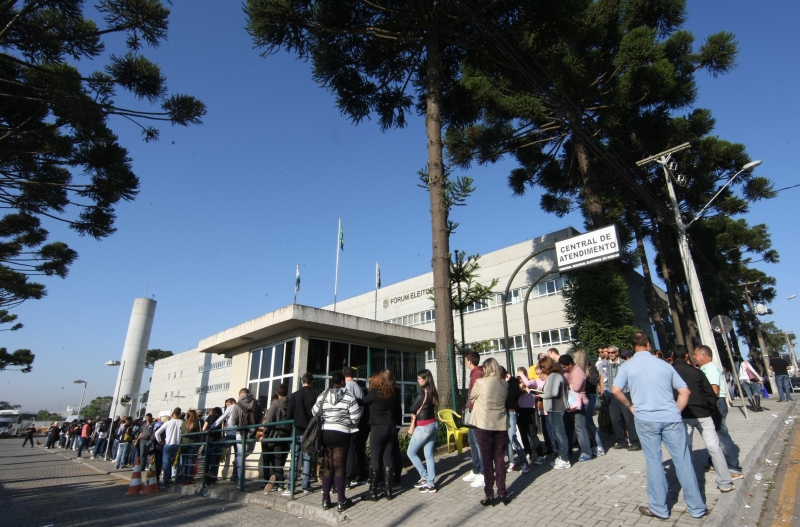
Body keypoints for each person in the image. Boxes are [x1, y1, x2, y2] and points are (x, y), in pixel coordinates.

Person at [612, 332, 707, 520]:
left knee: (654, 461)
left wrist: (630, 406)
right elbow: (685, 392)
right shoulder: (665, 365)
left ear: (633, 346)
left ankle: (659, 508)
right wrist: (676, 411)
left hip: (645, 418)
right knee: (683, 460)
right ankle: (697, 507)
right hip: (671, 417)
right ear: (647, 343)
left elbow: (615, 390)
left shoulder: (627, 366)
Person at [671, 346, 735, 493]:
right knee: (714, 447)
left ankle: (688, 483)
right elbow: (710, 393)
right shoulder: (697, 372)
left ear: (673, 355)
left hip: (681, 414)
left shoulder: (669, 373)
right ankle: (725, 482)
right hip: (703, 414)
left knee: (685, 449)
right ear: (687, 356)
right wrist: (709, 409)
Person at [312, 371, 362, 513]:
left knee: (328, 466)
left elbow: (314, 411)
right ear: (342, 382)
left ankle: (325, 500)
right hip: (342, 434)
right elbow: (356, 416)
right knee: (339, 466)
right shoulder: (348, 396)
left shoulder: (323, 395)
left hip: (325, 434)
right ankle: (341, 501)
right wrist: (347, 421)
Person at [694, 345, 743, 478]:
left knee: (722, 435)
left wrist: (704, 402)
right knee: (714, 435)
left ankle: (733, 467)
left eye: (696, 354)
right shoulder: (705, 368)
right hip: (714, 403)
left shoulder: (710, 368)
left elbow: (714, 390)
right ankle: (715, 462)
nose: (694, 357)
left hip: (716, 403)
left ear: (704, 355)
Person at [470, 358, 510, 506]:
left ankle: (489, 494)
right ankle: (502, 492)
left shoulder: (481, 382)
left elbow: (472, 397)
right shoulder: (504, 383)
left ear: (486, 368)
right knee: (500, 458)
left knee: (487, 460)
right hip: (500, 423)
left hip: (484, 423)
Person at [362, 369, 400, 501]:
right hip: (391, 427)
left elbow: (362, 402)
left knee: (375, 458)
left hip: (378, 428)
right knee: (387, 457)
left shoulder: (373, 393)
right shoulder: (390, 393)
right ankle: (388, 491)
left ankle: (372, 492)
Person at [212, 388, 263, 483]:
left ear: (240, 395)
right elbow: (261, 417)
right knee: (249, 450)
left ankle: (240, 481)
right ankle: (237, 464)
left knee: (240, 455)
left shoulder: (237, 405)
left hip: (240, 432)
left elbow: (233, 421)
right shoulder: (257, 403)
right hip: (252, 432)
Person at [407, 369, 440, 494]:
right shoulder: (433, 391)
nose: (418, 381)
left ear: (425, 379)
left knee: (411, 452)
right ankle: (430, 484)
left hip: (423, 426)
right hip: (433, 424)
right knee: (429, 455)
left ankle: (424, 476)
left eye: (420, 379)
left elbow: (412, 407)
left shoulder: (423, 393)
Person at [288, 372, 318, 493]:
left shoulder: (294, 395)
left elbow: (289, 414)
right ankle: (306, 484)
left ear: (302, 381)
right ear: (312, 382)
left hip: (296, 430)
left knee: (294, 458)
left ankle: (291, 486)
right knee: (307, 458)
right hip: (309, 431)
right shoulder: (315, 395)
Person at [559, 354, 592, 462]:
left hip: (579, 404)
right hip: (570, 404)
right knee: (569, 428)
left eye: (565, 367)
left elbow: (576, 387)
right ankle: (568, 451)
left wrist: (566, 383)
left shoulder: (578, 372)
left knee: (580, 429)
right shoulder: (568, 372)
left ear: (570, 364)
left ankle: (587, 452)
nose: (564, 369)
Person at [538, 356, 570, 469]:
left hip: (557, 408)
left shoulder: (555, 376)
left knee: (560, 434)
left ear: (548, 366)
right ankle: (561, 456)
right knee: (557, 434)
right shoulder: (551, 376)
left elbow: (553, 392)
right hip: (551, 408)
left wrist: (539, 395)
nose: (542, 370)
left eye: (543, 367)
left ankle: (565, 458)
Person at [606, 346, 640, 450]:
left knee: (628, 419)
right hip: (613, 394)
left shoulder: (624, 364)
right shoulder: (607, 365)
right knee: (615, 419)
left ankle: (635, 441)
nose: (610, 354)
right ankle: (621, 440)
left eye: (612, 352)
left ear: (617, 352)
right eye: (609, 352)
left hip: (624, 393)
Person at [261, 383, 293, 493]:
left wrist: (265, 434)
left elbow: (269, 421)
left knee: (277, 460)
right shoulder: (291, 403)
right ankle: (279, 481)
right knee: (282, 459)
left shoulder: (274, 405)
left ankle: (279, 481)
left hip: (276, 435)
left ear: (277, 393)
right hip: (288, 435)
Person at [574, 348, 605, 456]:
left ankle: (599, 446)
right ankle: (592, 445)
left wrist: (584, 379)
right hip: (581, 397)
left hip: (589, 395)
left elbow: (595, 381)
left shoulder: (590, 368)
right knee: (585, 423)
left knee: (588, 421)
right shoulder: (577, 369)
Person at [462, 351, 485, 488]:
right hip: (472, 411)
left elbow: (476, 393)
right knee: (472, 440)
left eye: (466, 360)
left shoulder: (476, 373)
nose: (465, 362)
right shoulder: (475, 373)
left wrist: (472, 405)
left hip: (476, 412)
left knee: (478, 443)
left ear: (470, 361)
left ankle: (483, 472)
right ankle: (476, 469)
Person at [504, 372, 530, 474]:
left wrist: (507, 382)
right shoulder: (499, 382)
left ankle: (524, 462)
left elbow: (512, 395)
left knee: (512, 436)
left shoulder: (513, 381)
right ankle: (512, 461)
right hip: (503, 412)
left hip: (511, 411)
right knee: (507, 439)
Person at [343, 367, 364, 487]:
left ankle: (345, 477)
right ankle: (352, 475)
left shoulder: (344, 386)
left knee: (345, 451)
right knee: (353, 450)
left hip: (344, 423)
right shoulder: (357, 387)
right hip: (356, 422)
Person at [155, 408, 185, 488]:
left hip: (168, 444)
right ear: (179, 414)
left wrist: (160, 441)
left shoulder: (168, 423)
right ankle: (177, 479)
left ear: (173, 414)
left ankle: (166, 482)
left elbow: (157, 433)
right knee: (177, 463)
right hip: (178, 444)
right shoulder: (182, 423)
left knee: (166, 463)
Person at [178, 409, 200, 484]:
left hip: (184, 444)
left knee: (184, 462)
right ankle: (189, 479)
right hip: (193, 444)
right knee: (190, 462)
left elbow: (181, 432)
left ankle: (184, 479)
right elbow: (198, 434)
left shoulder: (183, 423)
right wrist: (198, 443)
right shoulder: (195, 423)